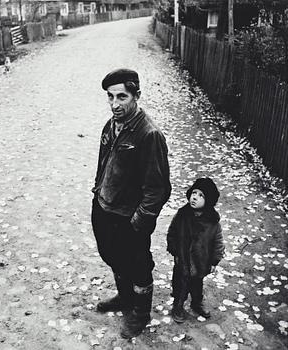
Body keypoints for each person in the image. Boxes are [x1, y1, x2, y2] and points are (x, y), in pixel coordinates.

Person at [91, 68, 171, 338]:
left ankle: (140, 312)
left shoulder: (149, 135)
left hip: (129, 217)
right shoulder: (111, 124)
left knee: (138, 264)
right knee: (112, 255)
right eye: (110, 97)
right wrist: (98, 195)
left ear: (136, 95)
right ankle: (125, 298)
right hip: (104, 208)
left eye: (122, 97)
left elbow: (158, 188)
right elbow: (104, 163)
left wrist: (140, 222)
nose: (115, 104)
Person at [167, 178, 225, 323]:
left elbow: (218, 242)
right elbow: (172, 232)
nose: (195, 197)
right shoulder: (182, 215)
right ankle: (178, 305)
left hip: (200, 261)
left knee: (197, 284)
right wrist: (174, 250)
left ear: (209, 201)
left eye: (201, 196)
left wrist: (214, 261)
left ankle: (196, 302)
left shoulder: (212, 222)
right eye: (194, 193)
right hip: (182, 259)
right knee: (179, 284)